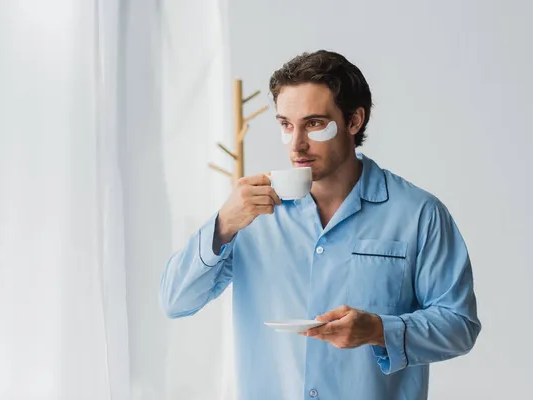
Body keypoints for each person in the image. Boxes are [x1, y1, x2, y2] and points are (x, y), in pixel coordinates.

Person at [159, 50, 480, 400]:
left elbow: (459, 326)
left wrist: (378, 330)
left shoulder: (419, 214)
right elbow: (175, 301)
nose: (296, 144)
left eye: (313, 124)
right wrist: (222, 226)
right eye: (285, 124)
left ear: (354, 121)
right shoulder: (250, 213)